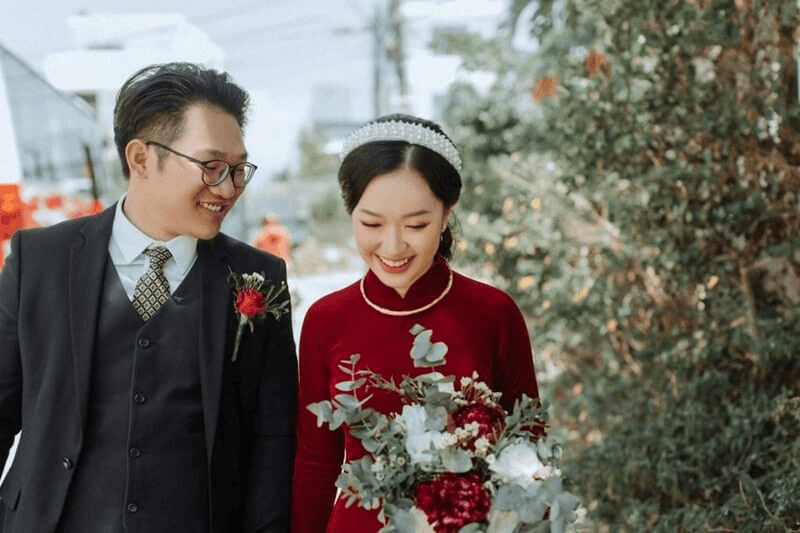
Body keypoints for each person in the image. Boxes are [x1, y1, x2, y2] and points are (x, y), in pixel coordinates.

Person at [0, 62, 297, 533]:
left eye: (238, 170)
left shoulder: (259, 276)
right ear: (140, 158)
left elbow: (273, 440)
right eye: (211, 166)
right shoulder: (40, 260)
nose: (227, 188)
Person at [290, 114, 540, 533]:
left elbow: (528, 448)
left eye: (416, 225)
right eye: (371, 224)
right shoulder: (325, 319)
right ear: (351, 213)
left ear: (446, 215)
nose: (392, 246)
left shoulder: (494, 313)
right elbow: (315, 463)